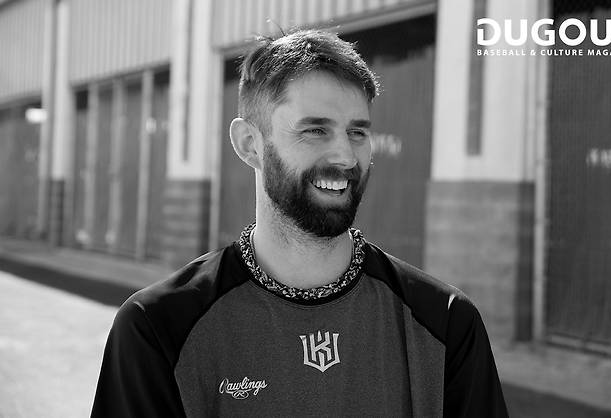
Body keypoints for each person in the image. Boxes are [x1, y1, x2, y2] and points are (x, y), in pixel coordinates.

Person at [91, 29, 508, 417]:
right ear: (250, 144)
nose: (345, 157)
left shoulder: (445, 323)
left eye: (357, 132)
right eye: (315, 130)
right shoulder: (157, 327)